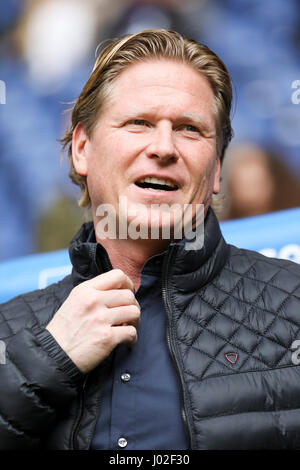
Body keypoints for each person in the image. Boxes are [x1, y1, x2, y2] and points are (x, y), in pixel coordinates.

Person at [1, 29, 300, 451]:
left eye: (189, 129)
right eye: (139, 122)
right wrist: (47, 363)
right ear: (82, 148)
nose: (164, 147)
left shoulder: (295, 305)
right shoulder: (8, 331)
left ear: (216, 170)